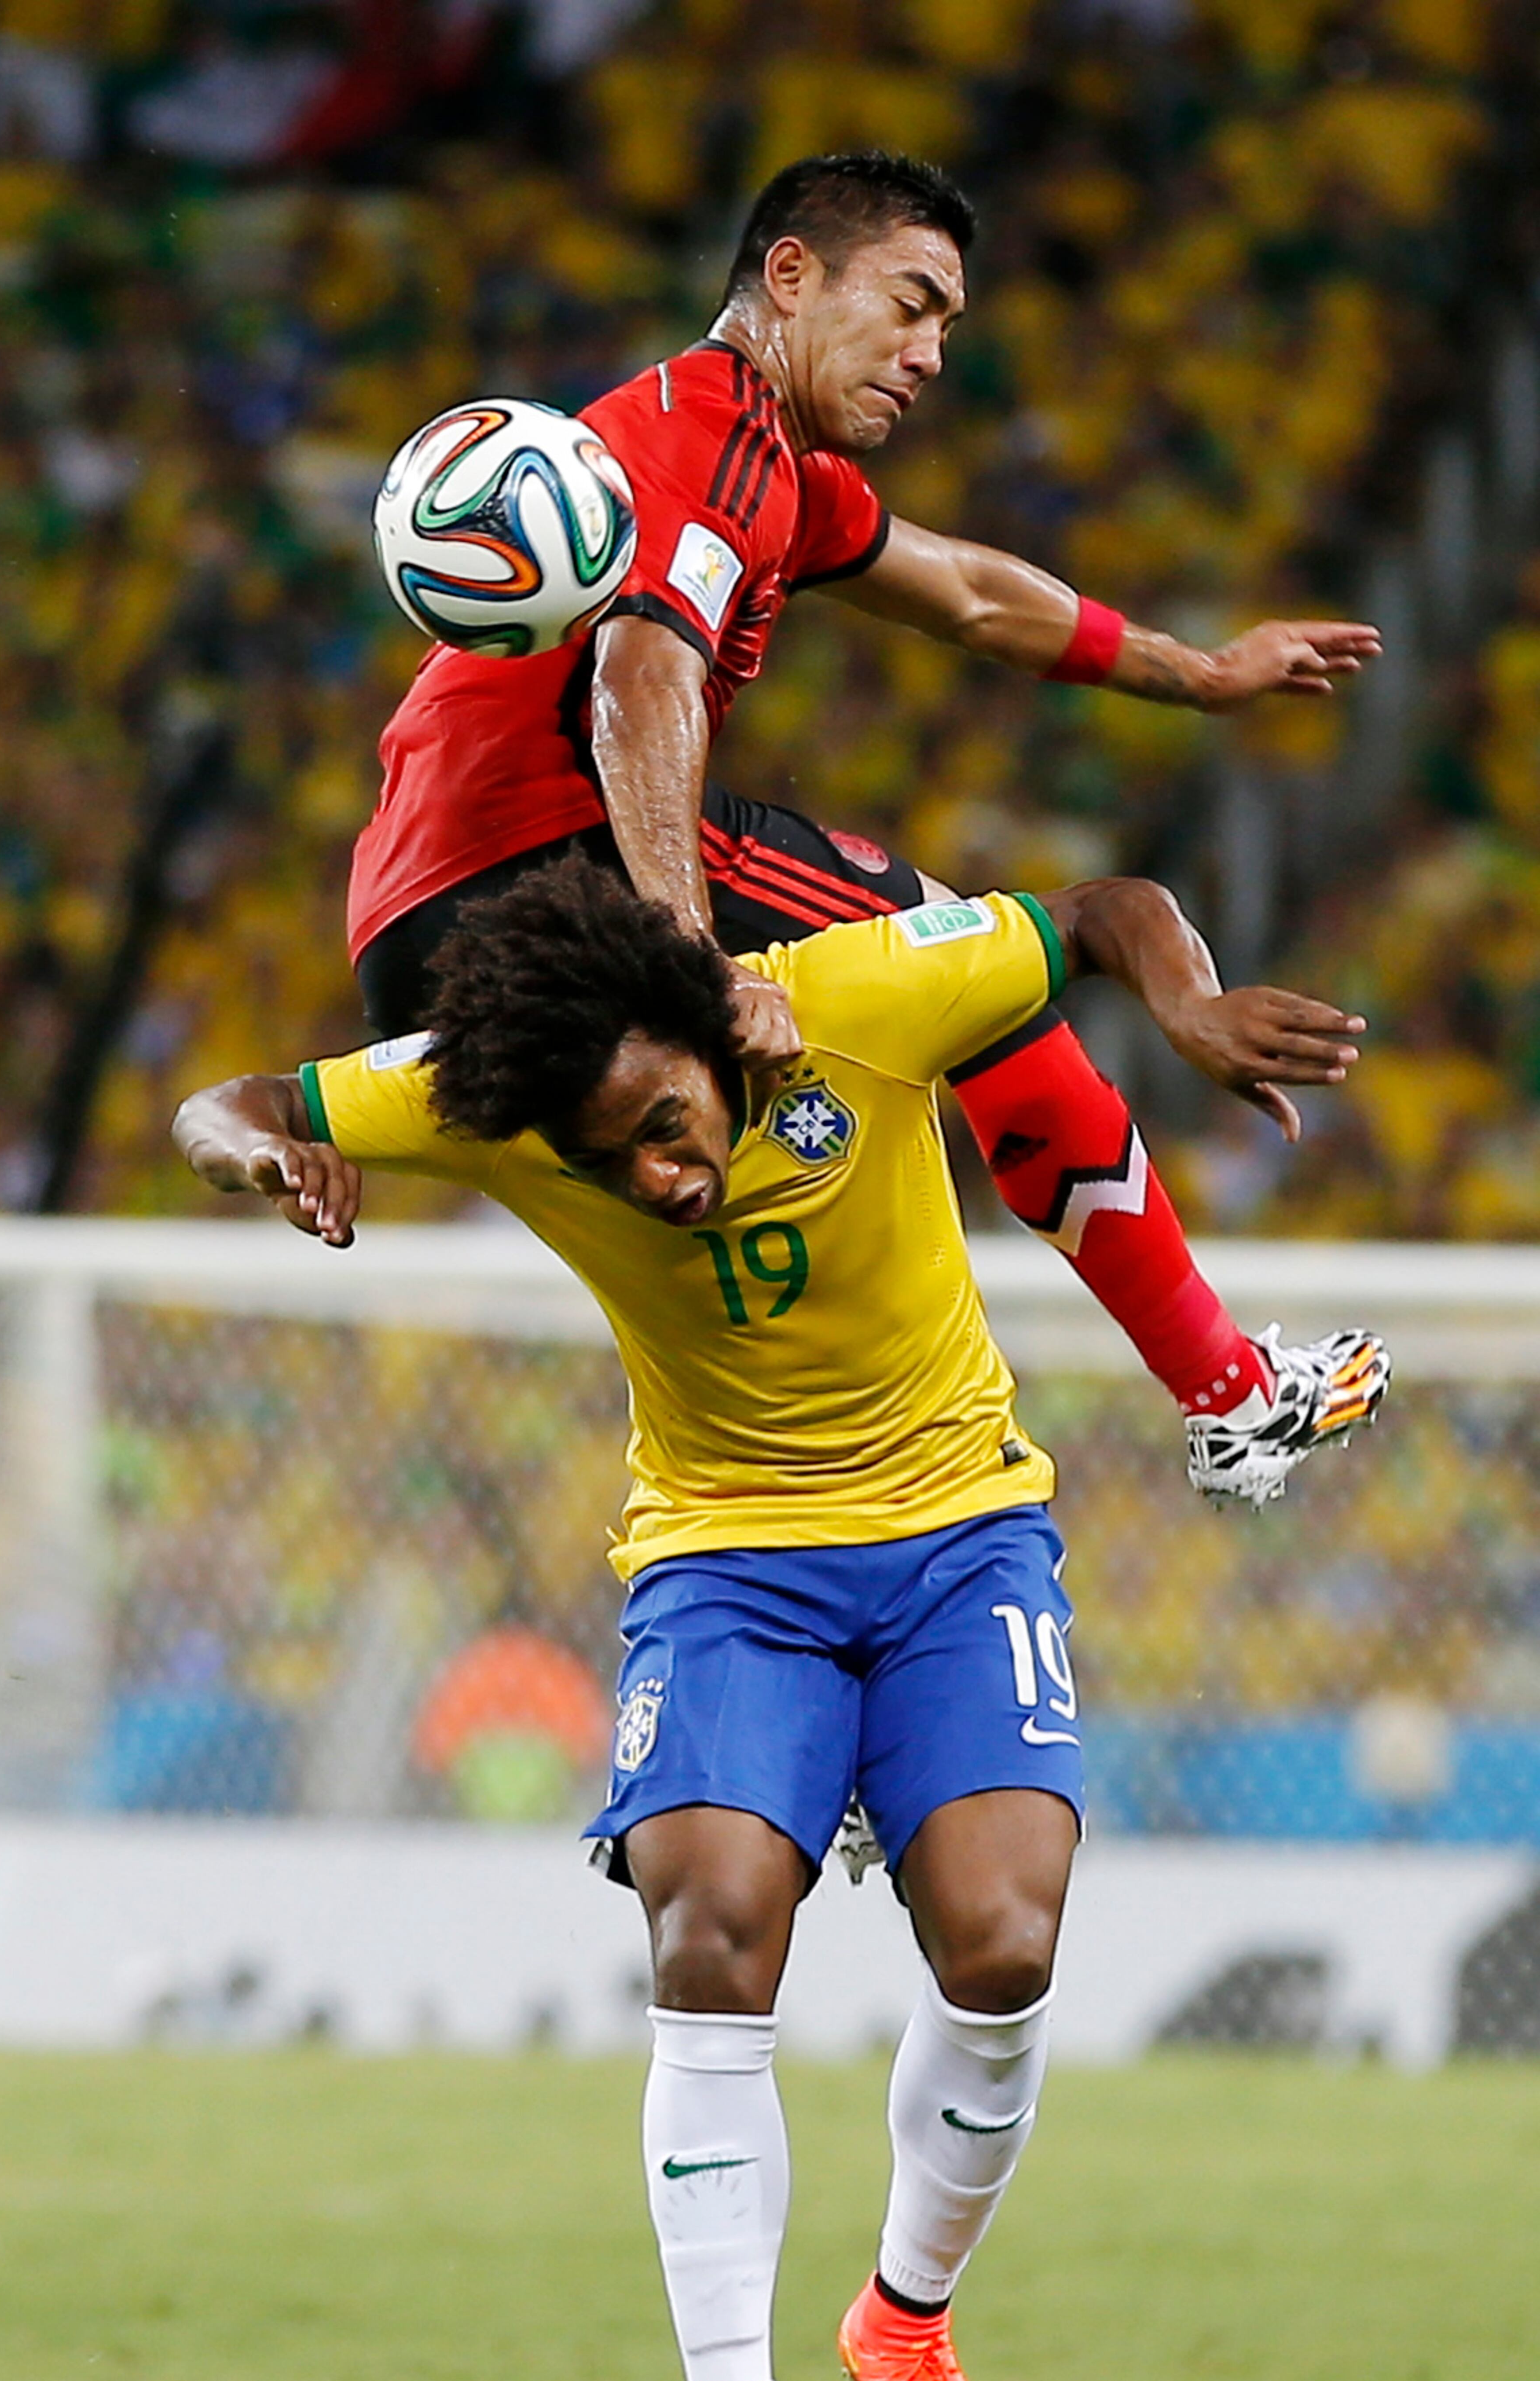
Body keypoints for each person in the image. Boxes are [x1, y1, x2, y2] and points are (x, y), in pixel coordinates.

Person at [174, 851, 1382, 2381]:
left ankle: (905, 2322)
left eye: (669, 1125)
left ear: (711, 1025)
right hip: (726, 1564)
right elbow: (228, 1103)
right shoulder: (497, 1090)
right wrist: (271, 1159)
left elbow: (1103, 911)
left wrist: (1187, 1004)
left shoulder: (867, 997)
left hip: (961, 1534)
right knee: (712, 1934)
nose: (662, 1180)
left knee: (1006, 1943)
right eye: (614, 1164)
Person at [345, 149, 1390, 1507]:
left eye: (946, 323)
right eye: (910, 304)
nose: (931, 353)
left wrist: (1196, 672)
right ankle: (1229, 1398)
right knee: (974, 977)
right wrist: (693, 964)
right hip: (542, 859)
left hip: (410, 919)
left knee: (792, 1143)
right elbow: (640, 685)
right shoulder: (713, 438)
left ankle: (803, 1487)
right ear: (790, 276)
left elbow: (967, 593)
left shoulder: (764, 464)